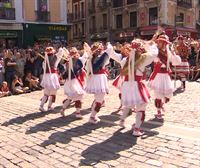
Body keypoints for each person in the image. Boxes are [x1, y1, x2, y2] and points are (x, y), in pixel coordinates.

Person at [111, 39, 159, 136]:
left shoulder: (125, 60)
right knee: (142, 106)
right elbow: (154, 53)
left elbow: (116, 57)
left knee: (129, 104)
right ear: (140, 49)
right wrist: (152, 45)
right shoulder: (143, 59)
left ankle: (122, 120)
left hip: (127, 85)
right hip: (136, 84)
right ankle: (136, 129)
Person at [148, 35, 181, 119]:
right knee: (158, 94)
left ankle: (162, 104)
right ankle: (158, 110)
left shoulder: (168, 52)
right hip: (158, 75)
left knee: (168, 95)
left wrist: (174, 53)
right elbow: (152, 58)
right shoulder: (156, 51)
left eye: (163, 42)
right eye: (160, 42)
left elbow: (175, 62)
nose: (161, 43)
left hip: (166, 75)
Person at [85, 42, 114, 124]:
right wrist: (108, 43)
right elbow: (110, 49)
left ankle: (93, 114)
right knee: (99, 101)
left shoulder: (91, 58)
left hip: (94, 78)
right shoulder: (101, 57)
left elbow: (87, 69)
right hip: (99, 78)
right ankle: (92, 116)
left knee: (98, 98)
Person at [60, 46, 87, 118]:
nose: (77, 54)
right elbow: (81, 65)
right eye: (76, 53)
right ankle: (78, 113)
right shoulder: (76, 61)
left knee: (70, 97)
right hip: (73, 81)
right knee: (78, 96)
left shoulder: (69, 61)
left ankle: (63, 109)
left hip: (69, 81)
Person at [39, 46, 64, 112]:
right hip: (52, 76)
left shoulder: (44, 60)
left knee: (46, 93)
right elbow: (61, 51)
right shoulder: (55, 57)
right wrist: (61, 47)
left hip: (46, 76)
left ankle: (41, 106)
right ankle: (49, 106)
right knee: (53, 92)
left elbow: (44, 68)